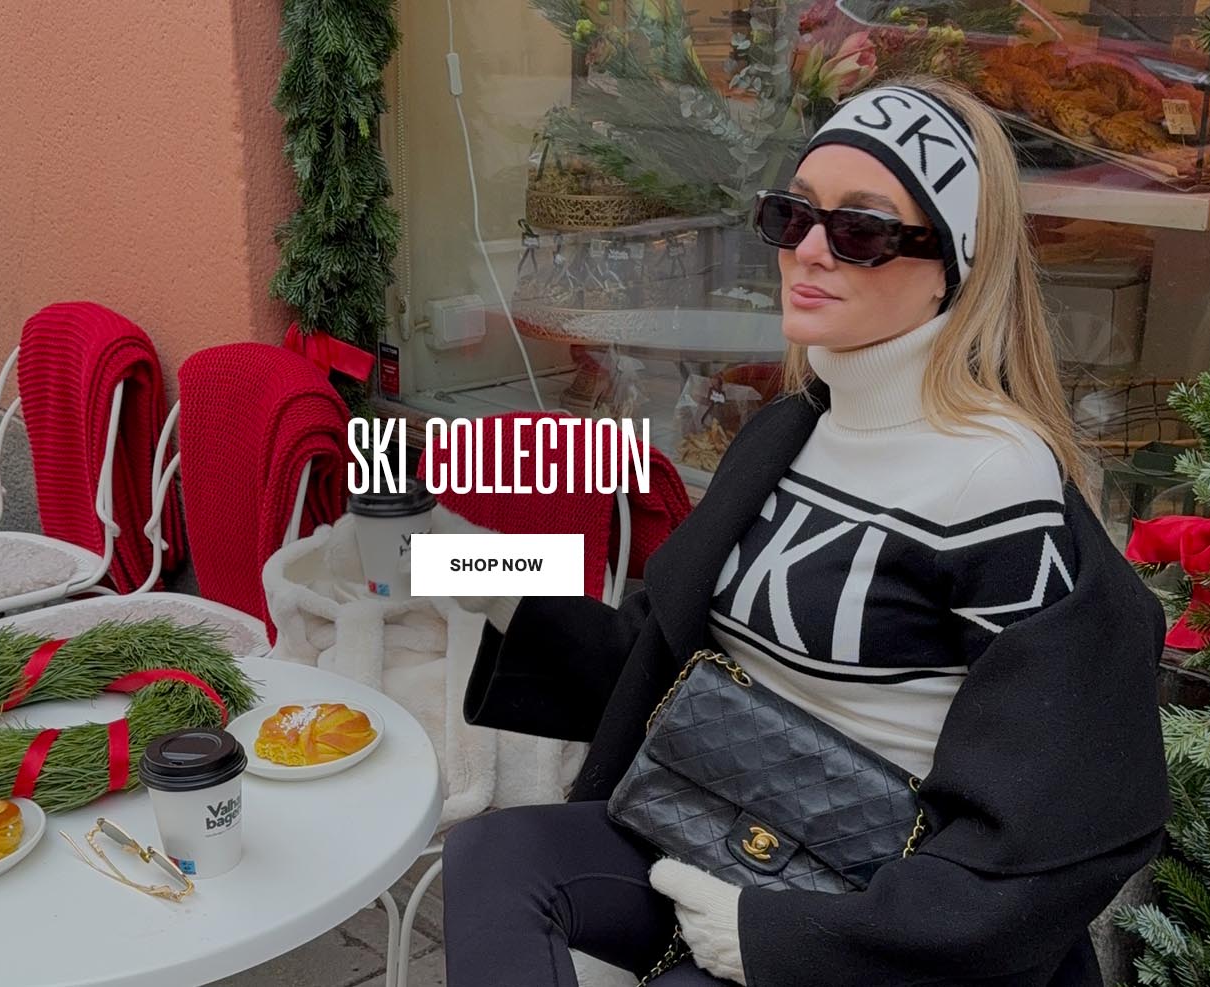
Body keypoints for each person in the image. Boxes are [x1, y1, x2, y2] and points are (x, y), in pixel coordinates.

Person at [442, 78, 1170, 986]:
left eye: (860, 229)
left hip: (871, 907)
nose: (809, 251)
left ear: (952, 265)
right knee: (491, 858)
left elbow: (1052, 820)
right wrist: (468, 561)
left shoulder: (996, 476)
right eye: (792, 215)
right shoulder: (787, 433)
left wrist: (780, 938)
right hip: (709, 814)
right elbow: (659, 651)